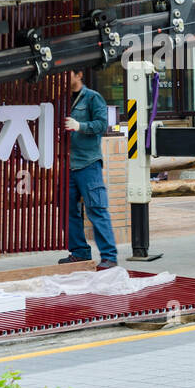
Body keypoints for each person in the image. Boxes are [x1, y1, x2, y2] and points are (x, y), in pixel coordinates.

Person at [60, 68, 117, 269]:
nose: (64, 78)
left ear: (79, 75)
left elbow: (102, 125)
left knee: (96, 208)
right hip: (68, 164)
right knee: (69, 211)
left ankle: (109, 256)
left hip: (88, 163)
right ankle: (79, 252)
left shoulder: (93, 98)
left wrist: (80, 126)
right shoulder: (61, 99)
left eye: (68, 73)